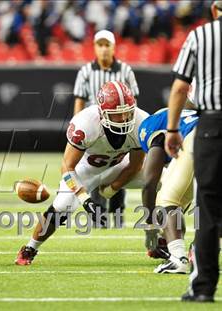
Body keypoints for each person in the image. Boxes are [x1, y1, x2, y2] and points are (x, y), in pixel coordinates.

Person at [15, 81, 149, 265]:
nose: (125, 118)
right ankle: (30, 248)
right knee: (62, 205)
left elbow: (135, 166)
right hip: (85, 171)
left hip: (120, 167)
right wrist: (85, 200)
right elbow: (67, 166)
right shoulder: (86, 123)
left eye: (127, 112)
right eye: (117, 114)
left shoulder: (141, 121)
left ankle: (164, 242)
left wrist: (110, 190)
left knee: (162, 179)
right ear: (102, 113)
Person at [165, 1, 222, 302]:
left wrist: (173, 130)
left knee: (208, 208)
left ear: (215, 10)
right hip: (210, 122)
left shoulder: (200, 36)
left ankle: (202, 288)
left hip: (212, 123)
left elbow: (179, 87)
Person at [73, 30, 140, 227]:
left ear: (113, 47)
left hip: (120, 128)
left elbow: (133, 102)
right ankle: (99, 219)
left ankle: (118, 217)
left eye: (107, 45)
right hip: (95, 130)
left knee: (121, 169)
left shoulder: (125, 70)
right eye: (100, 45)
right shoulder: (86, 71)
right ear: (94, 47)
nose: (103, 49)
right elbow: (80, 101)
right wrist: (78, 129)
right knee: (95, 171)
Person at [139, 107, 198, 273]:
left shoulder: (153, 125)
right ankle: (200, 247)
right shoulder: (188, 117)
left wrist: (150, 227)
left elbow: (149, 183)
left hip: (200, 138)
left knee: (167, 200)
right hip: (210, 133)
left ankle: (178, 258)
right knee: (210, 201)